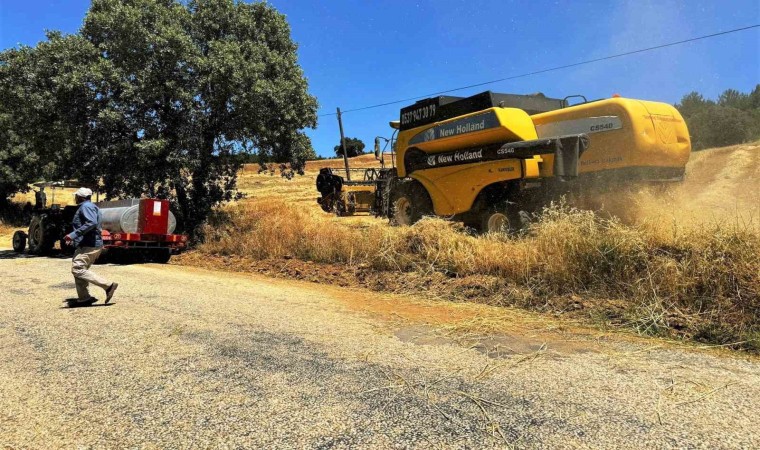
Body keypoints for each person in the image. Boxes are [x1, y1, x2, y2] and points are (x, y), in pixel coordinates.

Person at [64, 187, 118, 305]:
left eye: (76, 196)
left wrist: (73, 235)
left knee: (77, 269)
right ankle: (84, 298)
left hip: (90, 244)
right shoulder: (90, 206)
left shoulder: (86, 207)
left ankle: (108, 286)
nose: (75, 198)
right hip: (86, 243)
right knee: (79, 269)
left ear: (81, 197)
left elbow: (91, 223)